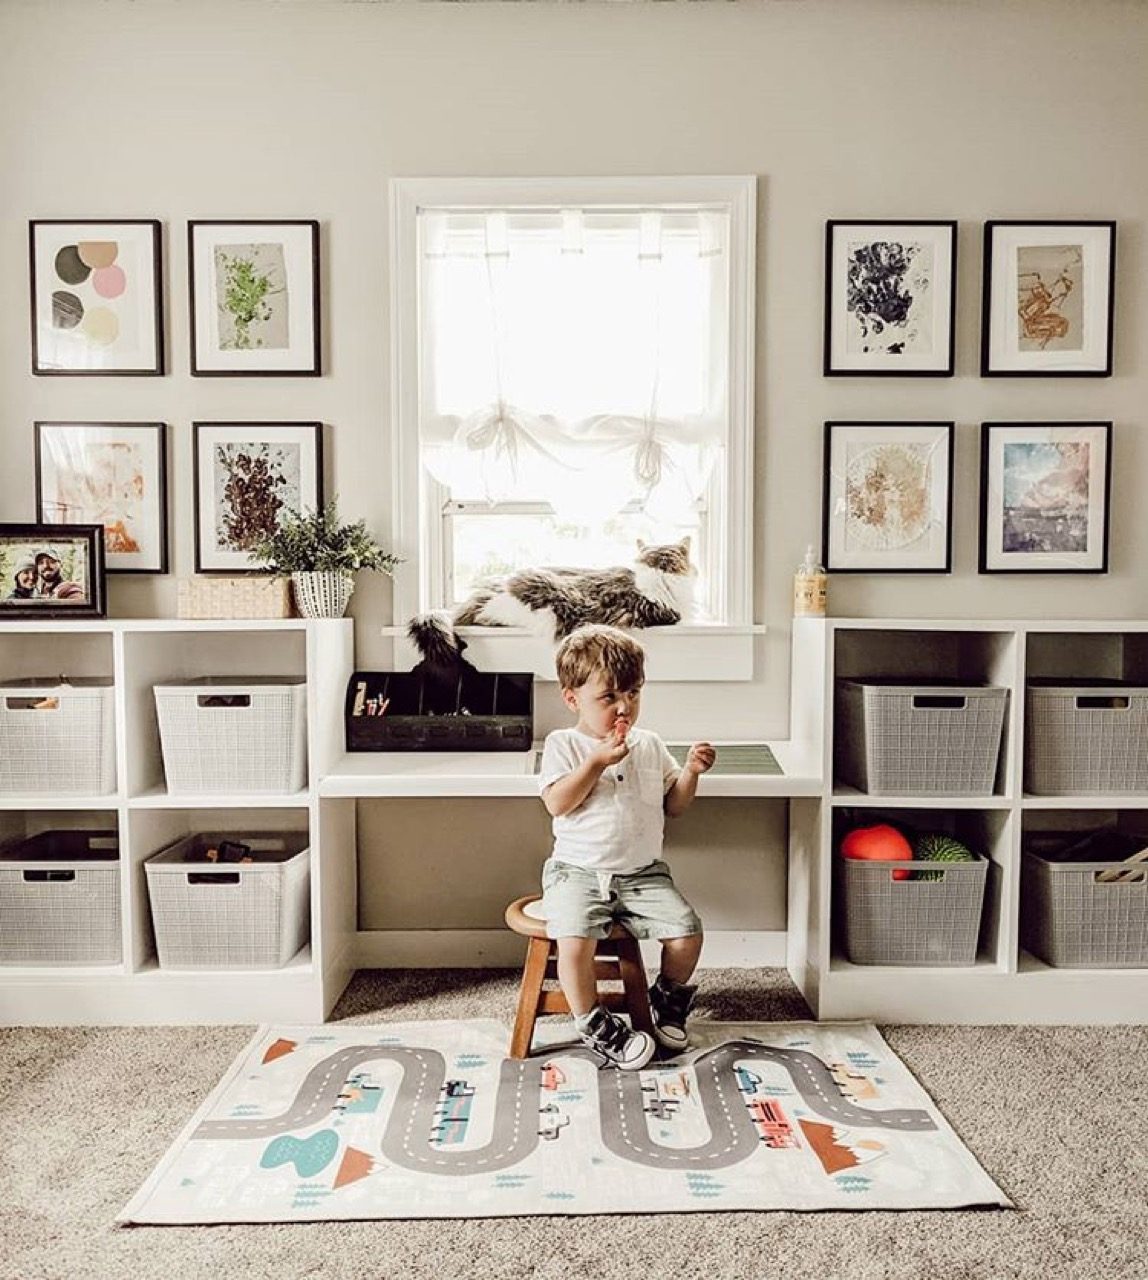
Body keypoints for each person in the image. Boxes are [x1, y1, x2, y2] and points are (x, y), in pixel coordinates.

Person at [537, 624, 715, 1070]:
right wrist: (596, 761)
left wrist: (692, 772)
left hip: (642, 873)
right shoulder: (565, 744)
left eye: (633, 693)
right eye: (609, 697)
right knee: (573, 943)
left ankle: (668, 1001)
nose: (624, 707)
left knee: (687, 932)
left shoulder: (650, 744)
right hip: (577, 872)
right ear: (572, 698)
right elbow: (558, 803)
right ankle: (592, 1022)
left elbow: (674, 805)